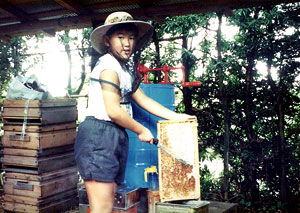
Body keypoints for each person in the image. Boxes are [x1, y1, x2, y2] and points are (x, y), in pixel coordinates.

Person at [74, 11, 194, 213]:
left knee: (106, 204)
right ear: (107, 40)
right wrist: (141, 130)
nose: (127, 43)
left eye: (130, 38)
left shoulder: (124, 70)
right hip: (99, 135)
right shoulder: (108, 68)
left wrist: (177, 117)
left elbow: (143, 100)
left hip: (112, 135)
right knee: (101, 208)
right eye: (120, 37)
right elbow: (113, 110)